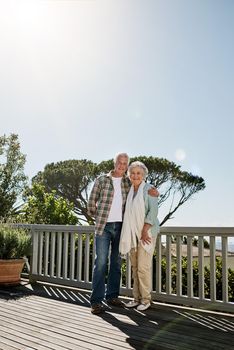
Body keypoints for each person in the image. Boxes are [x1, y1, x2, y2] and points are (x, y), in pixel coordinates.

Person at [88, 153, 158, 314]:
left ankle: (112, 296)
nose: (122, 165)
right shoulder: (102, 180)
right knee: (100, 263)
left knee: (116, 262)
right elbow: (91, 203)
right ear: (114, 163)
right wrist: (99, 217)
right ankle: (96, 301)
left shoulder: (128, 181)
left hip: (122, 227)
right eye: (119, 162)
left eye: (125, 163)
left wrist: (155, 191)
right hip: (103, 227)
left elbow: (143, 188)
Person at [119, 161, 160, 311]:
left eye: (139, 173)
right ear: (129, 175)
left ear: (143, 175)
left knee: (143, 267)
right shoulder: (130, 191)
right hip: (132, 234)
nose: (136, 176)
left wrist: (144, 230)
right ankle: (136, 298)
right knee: (135, 267)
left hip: (146, 234)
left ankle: (146, 299)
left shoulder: (149, 189)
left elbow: (153, 212)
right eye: (133, 173)